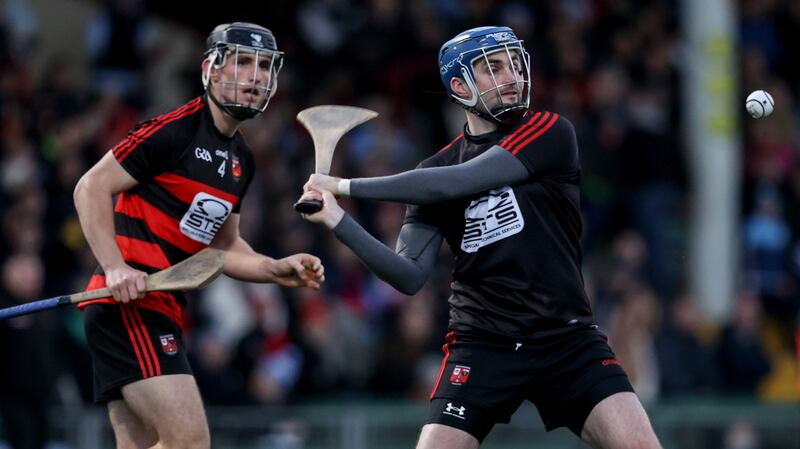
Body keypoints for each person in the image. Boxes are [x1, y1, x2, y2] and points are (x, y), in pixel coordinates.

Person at [298, 26, 662, 449]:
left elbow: (456, 182)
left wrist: (343, 186)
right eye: (494, 68)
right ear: (459, 86)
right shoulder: (434, 169)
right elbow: (408, 276)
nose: (512, 77)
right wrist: (337, 219)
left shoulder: (549, 131)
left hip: (566, 338)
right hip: (483, 344)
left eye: (515, 65)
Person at [73, 22, 324, 449]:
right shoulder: (173, 131)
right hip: (128, 304)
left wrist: (272, 268)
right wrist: (115, 266)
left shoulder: (242, 159)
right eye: (243, 62)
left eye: (264, 67)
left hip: (161, 306)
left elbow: (223, 246)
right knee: (190, 441)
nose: (256, 76)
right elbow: (90, 187)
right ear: (211, 69)